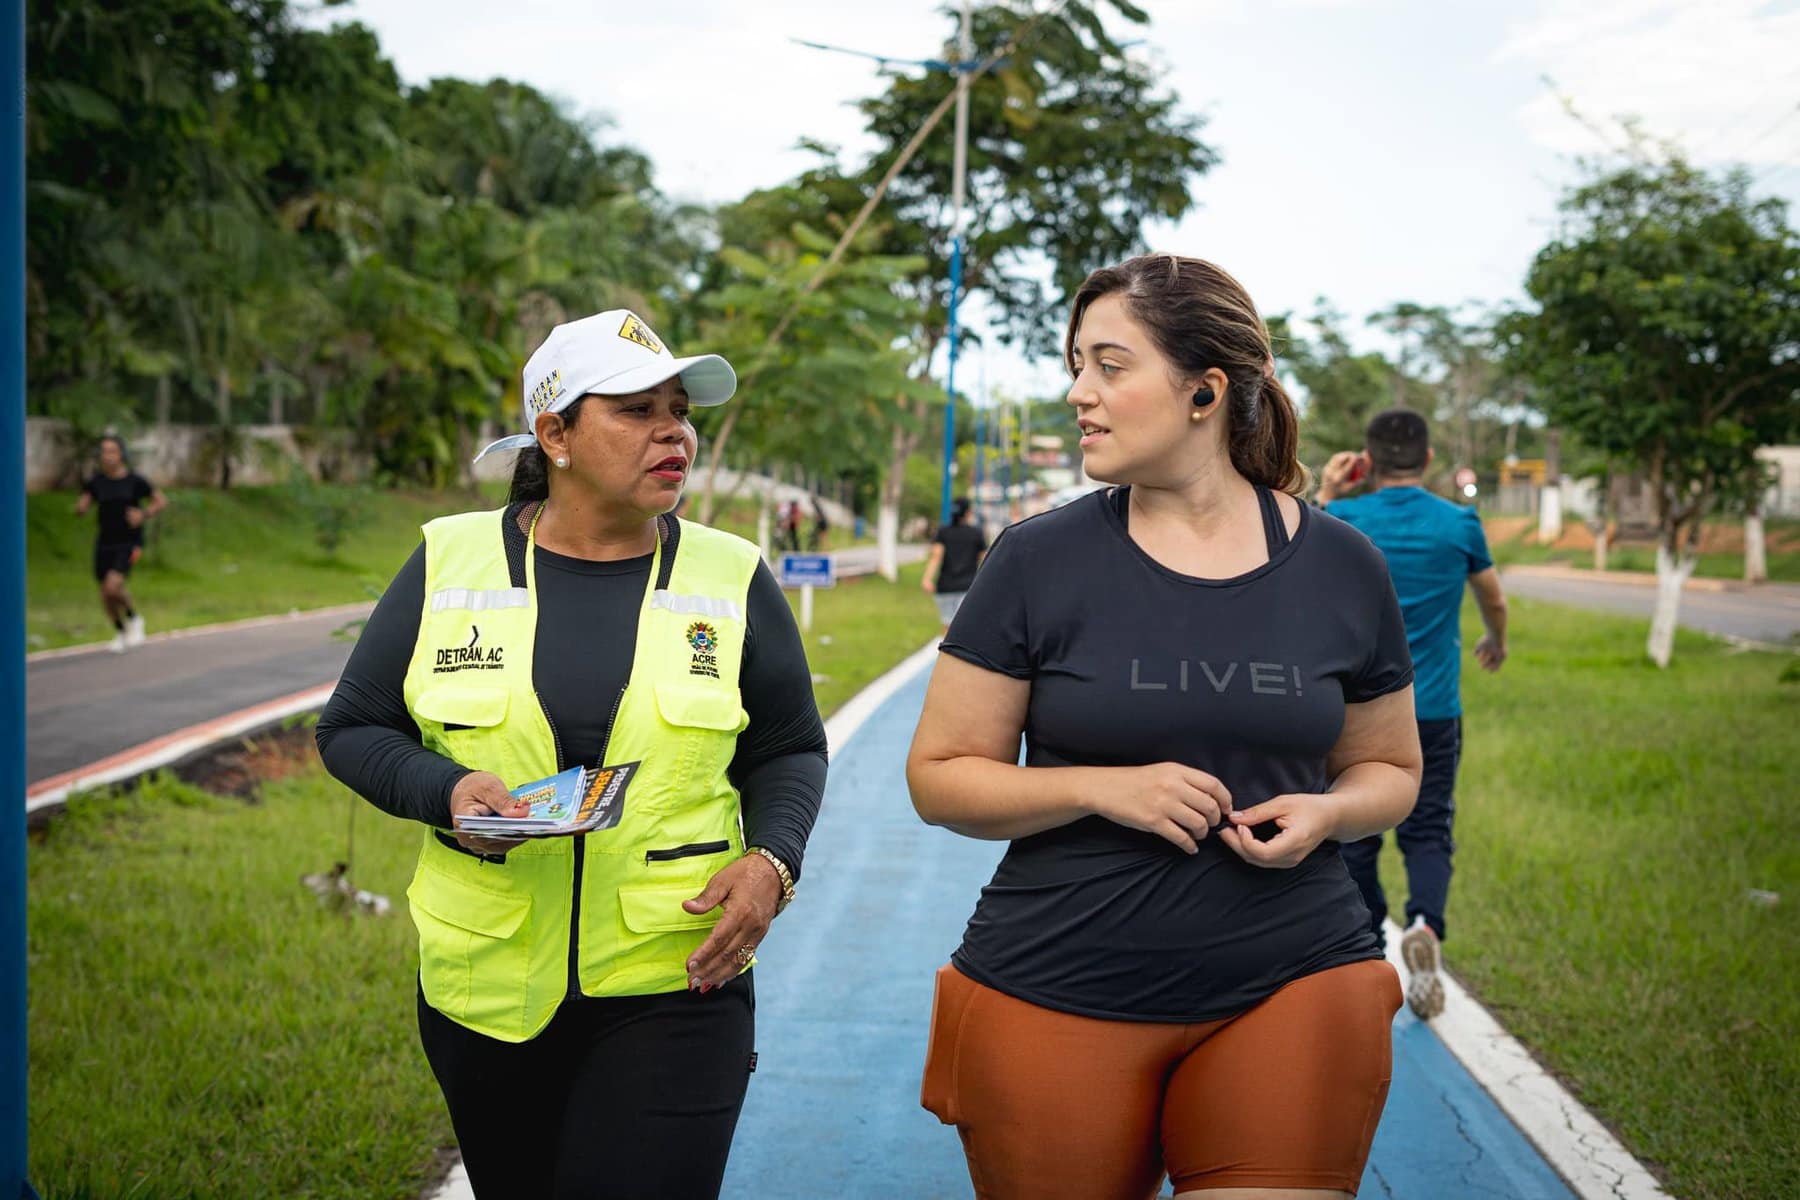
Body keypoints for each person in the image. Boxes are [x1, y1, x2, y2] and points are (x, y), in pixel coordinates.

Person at [906, 254, 1422, 1200]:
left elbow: (1389, 767)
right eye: (1075, 366)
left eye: (1109, 365)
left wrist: (1331, 814)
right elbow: (940, 776)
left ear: (1205, 392)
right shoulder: (1035, 560)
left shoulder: (1345, 566)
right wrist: (1098, 786)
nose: (1078, 394)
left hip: (1296, 973)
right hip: (1057, 979)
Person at [315, 309, 828, 1200]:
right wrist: (448, 792)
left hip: (676, 977)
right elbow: (352, 727)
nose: (675, 430)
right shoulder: (450, 560)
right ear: (553, 433)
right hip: (487, 989)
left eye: (679, 409)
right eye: (636, 410)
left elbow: (788, 747)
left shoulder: (731, 575)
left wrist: (773, 861)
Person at [1315, 410, 1508, 1020]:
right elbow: (1493, 596)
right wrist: (1495, 640)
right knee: (1428, 828)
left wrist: (1325, 494)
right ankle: (1424, 923)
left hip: (1353, 714)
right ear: (1428, 461)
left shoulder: (1342, 521)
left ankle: (1369, 950)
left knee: (1354, 833)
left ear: (1365, 463)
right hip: (1434, 711)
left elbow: (1298, 572)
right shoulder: (1459, 523)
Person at [74, 434, 167, 652]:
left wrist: (143, 514)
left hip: (129, 541)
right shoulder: (96, 482)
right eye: (104, 452)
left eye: (112, 451)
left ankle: (135, 619)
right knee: (105, 593)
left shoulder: (135, 481)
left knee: (112, 585)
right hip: (105, 541)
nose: (108, 456)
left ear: (121, 454)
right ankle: (120, 630)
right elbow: (84, 503)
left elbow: (160, 501)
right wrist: (81, 508)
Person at [920, 497, 987, 635]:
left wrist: (927, 579)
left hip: (945, 587)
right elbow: (986, 560)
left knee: (947, 629)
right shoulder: (976, 533)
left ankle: (944, 655)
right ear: (968, 512)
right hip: (968, 588)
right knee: (966, 631)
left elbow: (936, 557)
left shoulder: (943, 532)